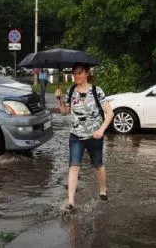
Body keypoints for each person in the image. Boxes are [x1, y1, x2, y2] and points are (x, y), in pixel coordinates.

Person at [57, 63, 114, 212]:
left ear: (87, 73)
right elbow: (64, 111)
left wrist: (101, 130)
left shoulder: (96, 91)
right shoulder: (71, 90)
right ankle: (71, 202)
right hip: (75, 135)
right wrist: (59, 99)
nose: (76, 76)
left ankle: (103, 189)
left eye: (79, 73)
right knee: (74, 166)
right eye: (74, 73)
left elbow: (110, 113)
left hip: (94, 136)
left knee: (97, 165)